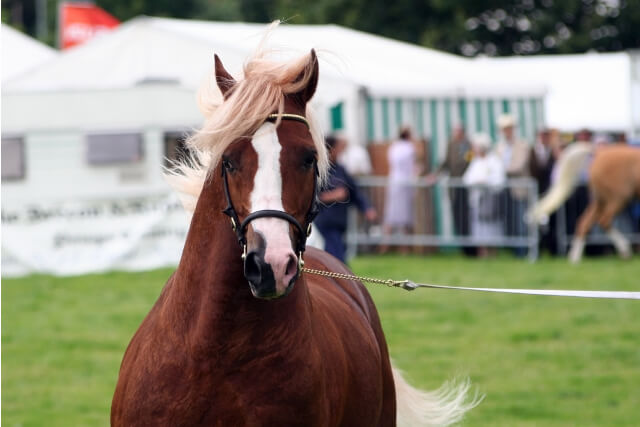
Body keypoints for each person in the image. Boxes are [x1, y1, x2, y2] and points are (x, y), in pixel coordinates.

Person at [315, 135, 377, 263]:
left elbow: (355, 192)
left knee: (336, 257)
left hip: (340, 223)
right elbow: (313, 196)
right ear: (330, 149)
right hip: (325, 222)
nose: (342, 151)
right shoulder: (318, 170)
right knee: (337, 260)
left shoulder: (341, 169)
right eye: (340, 148)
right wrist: (333, 195)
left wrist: (367, 208)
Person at [426, 124, 474, 255]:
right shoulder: (451, 144)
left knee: (466, 218)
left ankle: (471, 249)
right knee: (457, 217)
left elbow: (469, 161)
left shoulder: (468, 145)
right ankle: (464, 248)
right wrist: (435, 174)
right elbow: (446, 162)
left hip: (465, 185)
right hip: (454, 187)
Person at [494, 114, 531, 256]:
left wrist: (501, 170)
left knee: (521, 220)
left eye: (509, 129)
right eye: (504, 129)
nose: (506, 132)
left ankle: (523, 250)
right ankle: (514, 249)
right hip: (504, 189)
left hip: (519, 189)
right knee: (509, 220)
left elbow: (519, 166)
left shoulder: (522, 145)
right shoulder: (500, 147)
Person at [463, 133, 505, 257]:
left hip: (491, 203)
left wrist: (486, 182)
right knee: (479, 230)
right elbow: (466, 179)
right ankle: (482, 253)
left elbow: (499, 180)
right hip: (477, 202)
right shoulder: (475, 162)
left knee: (491, 229)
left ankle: (492, 253)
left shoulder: (494, 161)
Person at [381, 126, 417, 253]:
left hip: (394, 182)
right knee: (404, 216)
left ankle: (385, 247)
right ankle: (404, 248)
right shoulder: (409, 148)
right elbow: (411, 168)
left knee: (391, 215)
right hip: (405, 183)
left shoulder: (393, 147)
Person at [529, 128, 557, 254]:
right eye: (542, 135)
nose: (544, 138)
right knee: (536, 220)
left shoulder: (553, 151)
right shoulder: (533, 151)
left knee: (552, 221)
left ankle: (551, 248)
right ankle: (537, 248)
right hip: (536, 191)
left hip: (551, 191)